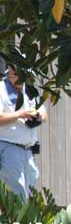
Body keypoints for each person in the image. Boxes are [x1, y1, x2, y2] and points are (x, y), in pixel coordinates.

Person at [0, 65, 47, 201]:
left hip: (28, 151)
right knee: (17, 194)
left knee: (29, 193)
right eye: (14, 71)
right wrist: (21, 114)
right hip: (8, 149)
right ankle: (17, 223)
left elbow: (44, 114)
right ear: (10, 72)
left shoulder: (30, 90)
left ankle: (24, 222)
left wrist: (38, 116)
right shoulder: (1, 89)